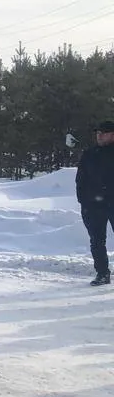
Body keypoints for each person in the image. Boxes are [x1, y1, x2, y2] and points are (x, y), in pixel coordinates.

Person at [76, 120, 114, 286]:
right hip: (93, 205)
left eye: (103, 132)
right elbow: (81, 179)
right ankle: (102, 273)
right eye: (98, 132)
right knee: (97, 241)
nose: (99, 135)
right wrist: (83, 202)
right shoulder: (90, 154)